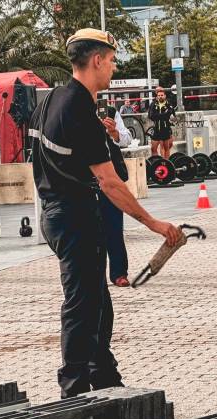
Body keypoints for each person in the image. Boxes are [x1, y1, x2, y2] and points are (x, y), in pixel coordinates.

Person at [27, 29, 180, 408]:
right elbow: (111, 182)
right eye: (111, 60)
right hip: (75, 214)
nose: (113, 67)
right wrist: (154, 223)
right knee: (82, 302)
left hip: (57, 212)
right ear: (96, 60)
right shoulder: (78, 108)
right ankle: (74, 389)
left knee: (96, 300)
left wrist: (106, 138)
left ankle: (103, 374)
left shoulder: (51, 102)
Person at [99, 103, 132, 287]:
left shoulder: (110, 112)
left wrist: (114, 133)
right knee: (88, 232)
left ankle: (119, 272)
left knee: (114, 227)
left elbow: (127, 139)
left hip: (111, 177)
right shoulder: (72, 109)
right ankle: (93, 275)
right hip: (84, 180)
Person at [148, 87, 175, 159]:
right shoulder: (153, 104)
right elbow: (151, 116)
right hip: (156, 129)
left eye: (162, 95)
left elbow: (171, 115)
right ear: (157, 95)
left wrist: (158, 116)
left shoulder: (168, 104)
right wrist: (163, 115)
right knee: (153, 148)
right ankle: (156, 162)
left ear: (165, 95)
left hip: (166, 129)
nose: (160, 96)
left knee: (166, 148)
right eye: (159, 95)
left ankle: (166, 163)